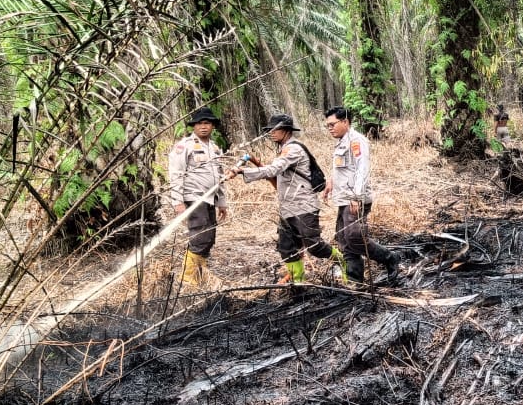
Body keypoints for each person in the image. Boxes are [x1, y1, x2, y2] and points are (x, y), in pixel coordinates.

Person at [226, 114, 345, 284]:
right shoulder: (284, 149)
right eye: (270, 130)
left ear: (287, 131)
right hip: (287, 208)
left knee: (315, 246)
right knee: (287, 248)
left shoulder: (293, 149)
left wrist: (242, 171)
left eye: (276, 129)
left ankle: (344, 262)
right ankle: (298, 283)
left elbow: (273, 170)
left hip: (304, 207)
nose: (272, 133)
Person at [323, 106, 401, 284]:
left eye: (332, 124)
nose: (330, 128)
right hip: (344, 198)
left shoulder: (357, 141)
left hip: (354, 199)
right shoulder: (341, 142)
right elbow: (345, 168)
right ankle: (355, 279)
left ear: (345, 121)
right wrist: (331, 182)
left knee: (355, 237)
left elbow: (362, 169)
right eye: (327, 125)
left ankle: (389, 258)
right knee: (344, 239)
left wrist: (356, 196)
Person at [168, 106, 229, 287]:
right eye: (200, 123)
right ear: (194, 126)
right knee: (200, 237)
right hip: (194, 197)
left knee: (209, 237)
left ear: (213, 126)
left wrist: (222, 202)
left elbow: (219, 176)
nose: (203, 127)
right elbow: (176, 174)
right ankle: (188, 279)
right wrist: (178, 202)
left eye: (207, 123)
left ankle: (199, 274)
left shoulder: (214, 148)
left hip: (210, 198)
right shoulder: (184, 146)